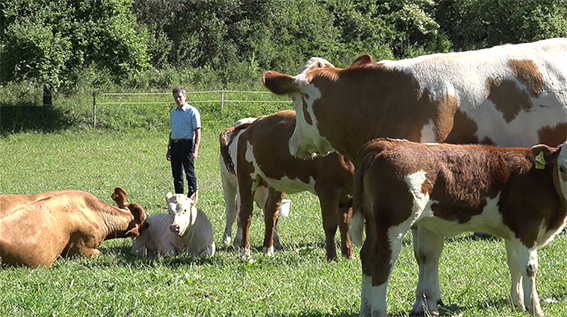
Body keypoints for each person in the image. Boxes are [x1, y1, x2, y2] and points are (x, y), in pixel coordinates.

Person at [166, 86, 201, 197]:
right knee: (176, 174)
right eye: (175, 97)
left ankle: (192, 197)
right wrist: (169, 148)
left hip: (187, 145)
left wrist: (195, 150)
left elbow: (197, 132)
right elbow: (172, 131)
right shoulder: (173, 113)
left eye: (180, 97)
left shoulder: (192, 112)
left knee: (189, 173)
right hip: (175, 145)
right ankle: (179, 197)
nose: (178, 99)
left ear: (185, 97)